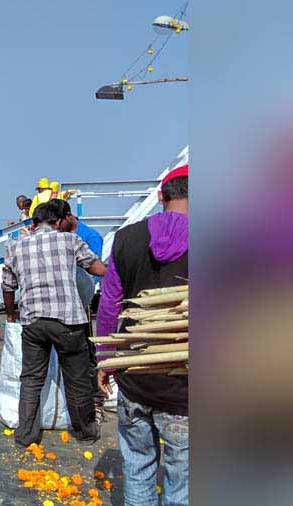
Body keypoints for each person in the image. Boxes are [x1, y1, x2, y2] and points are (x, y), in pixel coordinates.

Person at [96, 165, 189, 506]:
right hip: (186, 389)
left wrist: (106, 358)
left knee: (137, 467)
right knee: (183, 482)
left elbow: (110, 305)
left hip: (135, 376)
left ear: (162, 196)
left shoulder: (127, 237)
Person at [1, 202, 107, 447]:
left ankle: (26, 434)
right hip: (68, 321)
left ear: (34, 222)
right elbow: (97, 268)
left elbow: (8, 286)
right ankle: (86, 431)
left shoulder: (15, 246)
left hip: (33, 321)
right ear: (58, 222)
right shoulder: (69, 241)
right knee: (77, 378)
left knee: (31, 379)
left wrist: (10, 314)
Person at [49, 198, 106, 426]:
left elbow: (94, 268)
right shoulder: (54, 236)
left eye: (57, 222)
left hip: (79, 303)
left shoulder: (89, 236)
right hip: (56, 306)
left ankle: (92, 401)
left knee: (85, 354)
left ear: (68, 218)